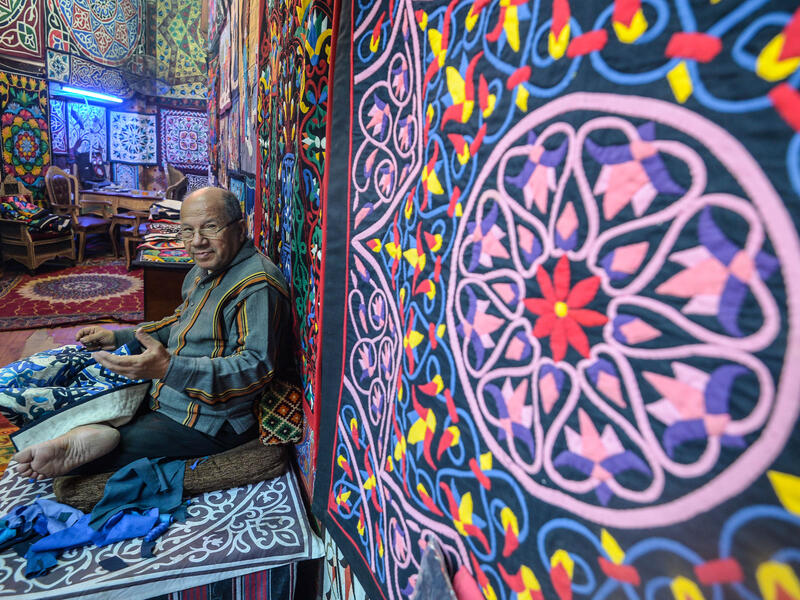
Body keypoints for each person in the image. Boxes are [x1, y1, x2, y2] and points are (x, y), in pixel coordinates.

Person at [13, 187, 291, 480]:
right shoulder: (203, 270)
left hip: (208, 419)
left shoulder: (257, 286)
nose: (197, 241)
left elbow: (256, 368)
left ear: (241, 228)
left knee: (90, 458)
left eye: (210, 227)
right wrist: (120, 337)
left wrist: (171, 368)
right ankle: (98, 431)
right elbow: (180, 321)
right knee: (80, 383)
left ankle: (100, 442)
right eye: (187, 230)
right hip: (167, 390)